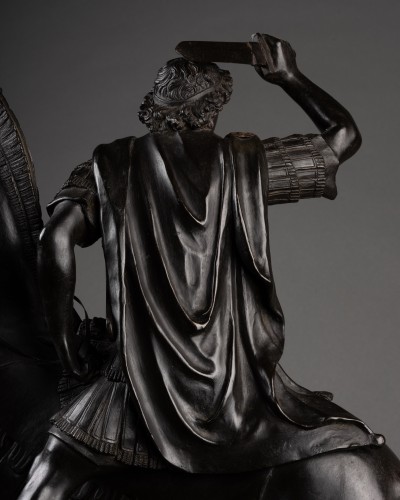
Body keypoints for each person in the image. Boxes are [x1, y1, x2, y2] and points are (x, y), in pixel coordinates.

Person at [19, 34, 400, 499]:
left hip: (136, 384)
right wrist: (289, 76)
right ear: (213, 111)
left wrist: (64, 341)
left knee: (46, 481)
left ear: (152, 108)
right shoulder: (246, 164)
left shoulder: (107, 165)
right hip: (237, 390)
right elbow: (343, 138)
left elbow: (54, 239)